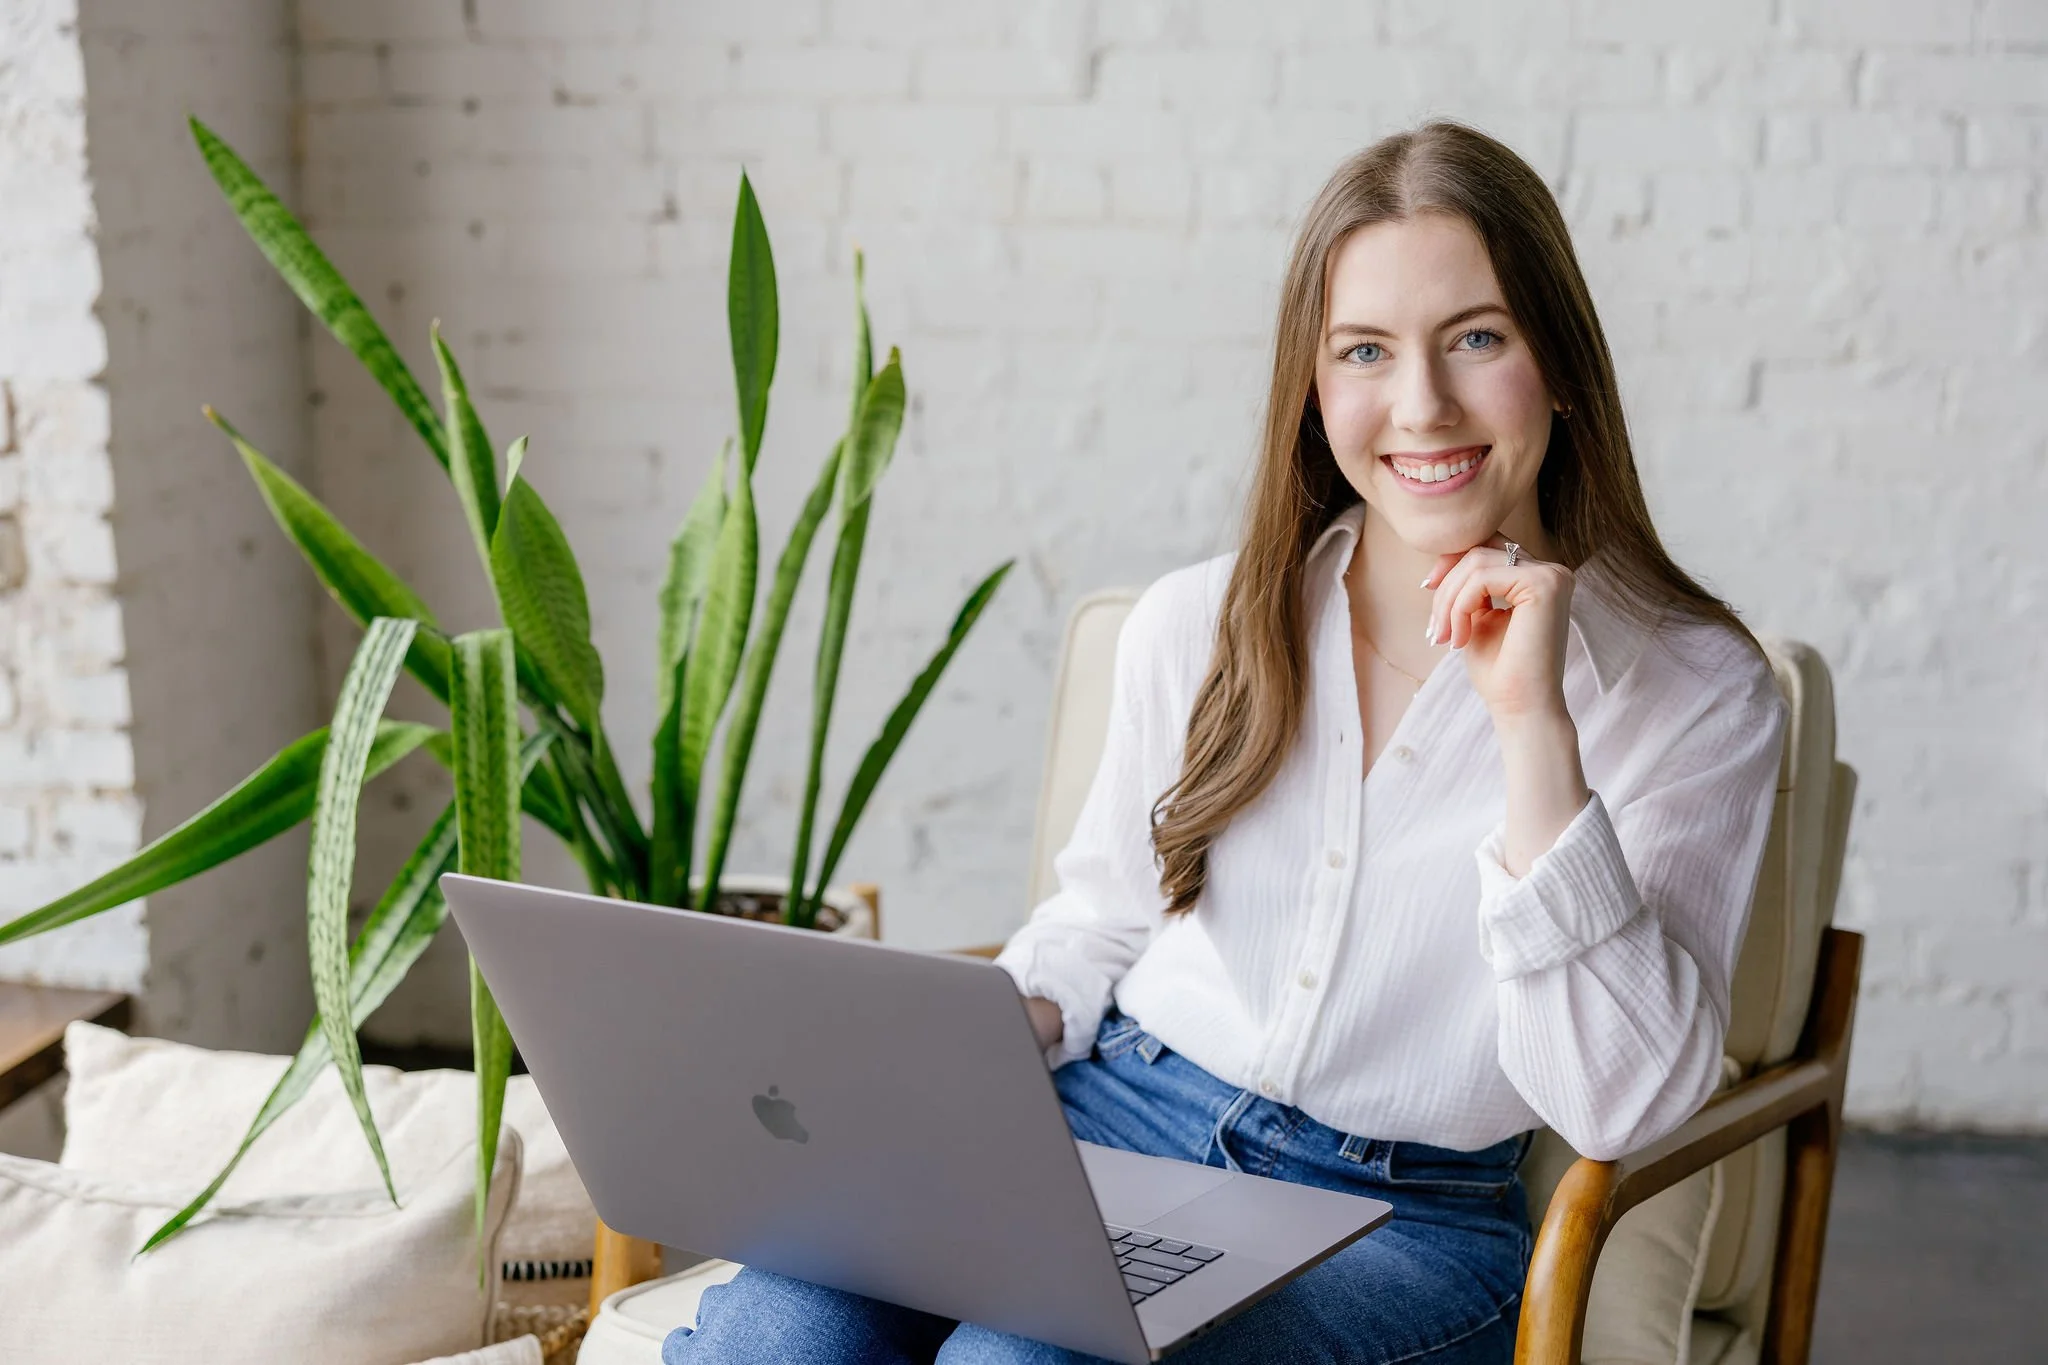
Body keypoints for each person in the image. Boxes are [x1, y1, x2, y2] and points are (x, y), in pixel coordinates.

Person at [664, 120, 1786, 1365]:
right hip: (1095, 1121)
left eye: (1476, 337)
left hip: (1397, 1222)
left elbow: (1617, 1100)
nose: (1420, 406)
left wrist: (1532, 728)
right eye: (1364, 350)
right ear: (1313, 391)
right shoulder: (1198, 620)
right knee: (772, 1329)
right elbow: (1097, 923)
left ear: (1559, 363)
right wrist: (969, 1042)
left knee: (1020, 1364)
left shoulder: (1692, 691)